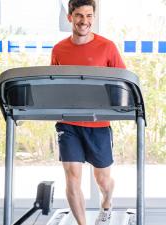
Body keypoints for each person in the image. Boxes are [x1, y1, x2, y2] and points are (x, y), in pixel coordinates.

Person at [51, 0, 126, 224]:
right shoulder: (59, 49)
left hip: (98, 123)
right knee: (72, 177)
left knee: (103, 179)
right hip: (68, 122)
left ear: (94, 17)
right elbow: (54, 83)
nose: (85, 21)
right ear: (70, 18)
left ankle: (107, 201)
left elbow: (122, 81)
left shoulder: (107, 47)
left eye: (89, 16)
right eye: (79, 16)